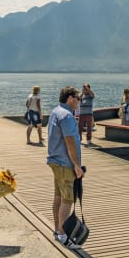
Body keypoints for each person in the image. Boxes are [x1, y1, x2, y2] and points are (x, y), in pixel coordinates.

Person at [47, 86, 84, 249]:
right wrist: (76, 165)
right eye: (78, 98)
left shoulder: (56, 111)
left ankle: (57, 230)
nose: (79, 102)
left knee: (58, 197)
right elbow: (70, 142)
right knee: (67, 199)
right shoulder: (67, 116)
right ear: (70, 98)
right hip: (65, 163)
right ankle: (63, 235)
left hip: (55, 161)